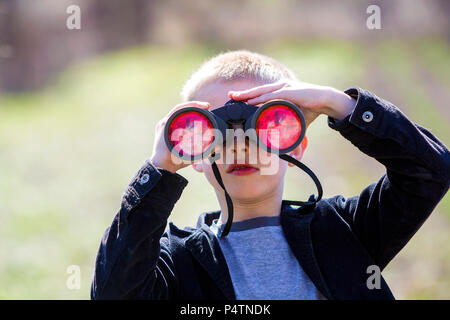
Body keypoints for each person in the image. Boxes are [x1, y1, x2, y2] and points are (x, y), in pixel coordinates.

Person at [90, 50, 450, 300]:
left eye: (267, 126)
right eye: (214, 133)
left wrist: (338, 103)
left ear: (295, 147)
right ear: (195, 155)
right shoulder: (181, 261)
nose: (241, 146)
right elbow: (114, 293)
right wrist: (160, 170)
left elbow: (429, 171)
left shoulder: (342, 231)